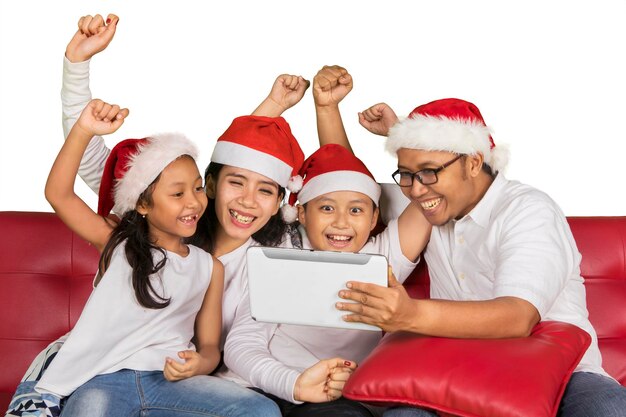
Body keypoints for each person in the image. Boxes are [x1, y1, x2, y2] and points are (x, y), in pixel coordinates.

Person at [5, 13, 346, 417]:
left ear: (280, 202)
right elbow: (90, 169)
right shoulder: (144, 233)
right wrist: (76, 70)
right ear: (213, 186)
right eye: (232, 185)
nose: (249, 202)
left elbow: (343, 188)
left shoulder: (267, 257)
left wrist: (201, 363)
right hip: (104, 370)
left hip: (191, 383)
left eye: (267, 191)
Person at [336, 98, 626, 416]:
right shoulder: (427, 205)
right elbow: (343, 189)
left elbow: (517, 317)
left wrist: (410, 315)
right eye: (406, 175)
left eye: (428, 173)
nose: (416, 190)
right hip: (454, 367)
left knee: (609, 409)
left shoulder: (528, 210)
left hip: (561, 373)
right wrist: (335, 110)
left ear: (474, 162)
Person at [24, 97, 281, 417]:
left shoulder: (208, 267)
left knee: (260, 411)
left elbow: (211, 347)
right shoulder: (119, 245)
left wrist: (200, 363)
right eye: (177, 194)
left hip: (171, 384)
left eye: (198, 189)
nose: (193, 203)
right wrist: (83, 130)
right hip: (104, 381)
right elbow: (58, 194)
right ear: (142, 205)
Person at [222, 66, 431, 417]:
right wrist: (295, 381)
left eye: (356, 210)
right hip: (267, 388)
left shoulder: (383, 256)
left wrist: (399, 134)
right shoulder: (279, 253)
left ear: (375, 217)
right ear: (301, 213)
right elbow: (242, 344)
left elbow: (432, 191)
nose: (340, 222)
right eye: (327, 207)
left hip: (342, 401)